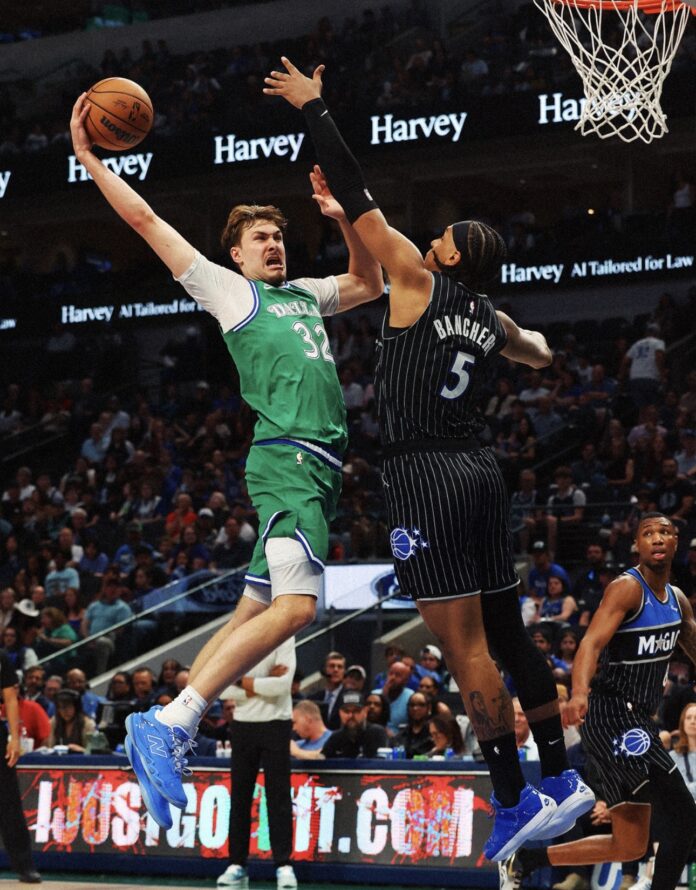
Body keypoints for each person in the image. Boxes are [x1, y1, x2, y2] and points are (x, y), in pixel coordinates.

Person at [264, 57, 594, 861]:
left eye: (442, 237)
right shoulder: (488, 316)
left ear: (445, 258)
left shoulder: (414, 274)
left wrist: (314, 108)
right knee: (508, 634)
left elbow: (358, 185)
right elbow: (543, 352)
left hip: (426, 473)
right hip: (481, 470)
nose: (432, 237)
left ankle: (512, 799)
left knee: (463, 646)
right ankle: (560, 777)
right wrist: (510, 334)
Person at [70, 91, 382, 830]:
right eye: (259, 237)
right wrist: (88, 160)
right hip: (288, 461)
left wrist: (345, 221)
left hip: (319, 472)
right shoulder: (230, 291)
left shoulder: (304, 294)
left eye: (278, 235)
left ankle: (164, 728)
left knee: (253, 608)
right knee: (298, 609)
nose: (273, 244)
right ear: (235, 254)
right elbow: (147, 222)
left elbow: (370, 282)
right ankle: (170, 722)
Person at [501, 513, 696, 890]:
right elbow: (590, 643)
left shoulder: (678, 600)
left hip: (639, 720)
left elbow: (692, 644)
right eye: (648, 533)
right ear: (636, 545)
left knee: (629, 844)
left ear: (676, 543)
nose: (657, 538)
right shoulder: (627, 588)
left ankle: (526, 859)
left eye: (665, 532)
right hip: (613, 717)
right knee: (684, 815)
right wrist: (578, 693)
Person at [217, 637, 296, 890]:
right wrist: (263, 681)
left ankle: (283, 865)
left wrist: (241, 680)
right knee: (240, 796)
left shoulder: (284, 636)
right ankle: (236, 864)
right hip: (242, 725)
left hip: (277, 723)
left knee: (278, 796)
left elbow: (282, 686)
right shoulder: (240, 636)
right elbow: (223, 689)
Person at [0, 649, 41, 883]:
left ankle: (25, 865)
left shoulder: (1, 658)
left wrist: (14, 738)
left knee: (8, 801)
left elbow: (10, 698)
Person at [322, 691, 389, 758]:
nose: (351, 715)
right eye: (346, 711)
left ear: (365, 712)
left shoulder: (376, 732)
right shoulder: (336, 737)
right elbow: (323, 757)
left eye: (356, 711)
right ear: (340, 713)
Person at [48, 688, 96, 753]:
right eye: (61, 707)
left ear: (76, 707)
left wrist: (81, 750)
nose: (65, 711)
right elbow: (50, 748)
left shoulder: (88, 724)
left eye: (69, 707)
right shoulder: (54, 722)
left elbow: (94, 753)